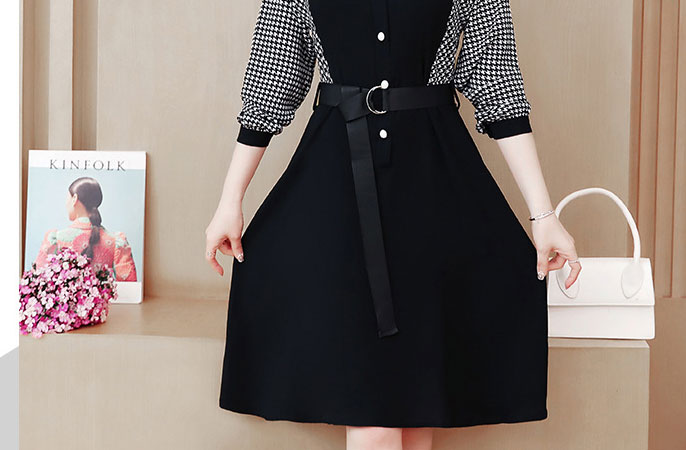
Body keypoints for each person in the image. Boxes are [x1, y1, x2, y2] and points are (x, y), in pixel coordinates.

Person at [205, 0, 581, 448]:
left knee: (416, 414)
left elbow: (498, 86)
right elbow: (271, 84)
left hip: (433, 197)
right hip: (335, 199)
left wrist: (544, 215)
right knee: (377, 420)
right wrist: (230, 199)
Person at [34, 176, 138, 282]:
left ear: (74, 199)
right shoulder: (116, 242)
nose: (66, 204)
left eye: (67, 198)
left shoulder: (55, 239)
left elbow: (37, 280)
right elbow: (129, 285)